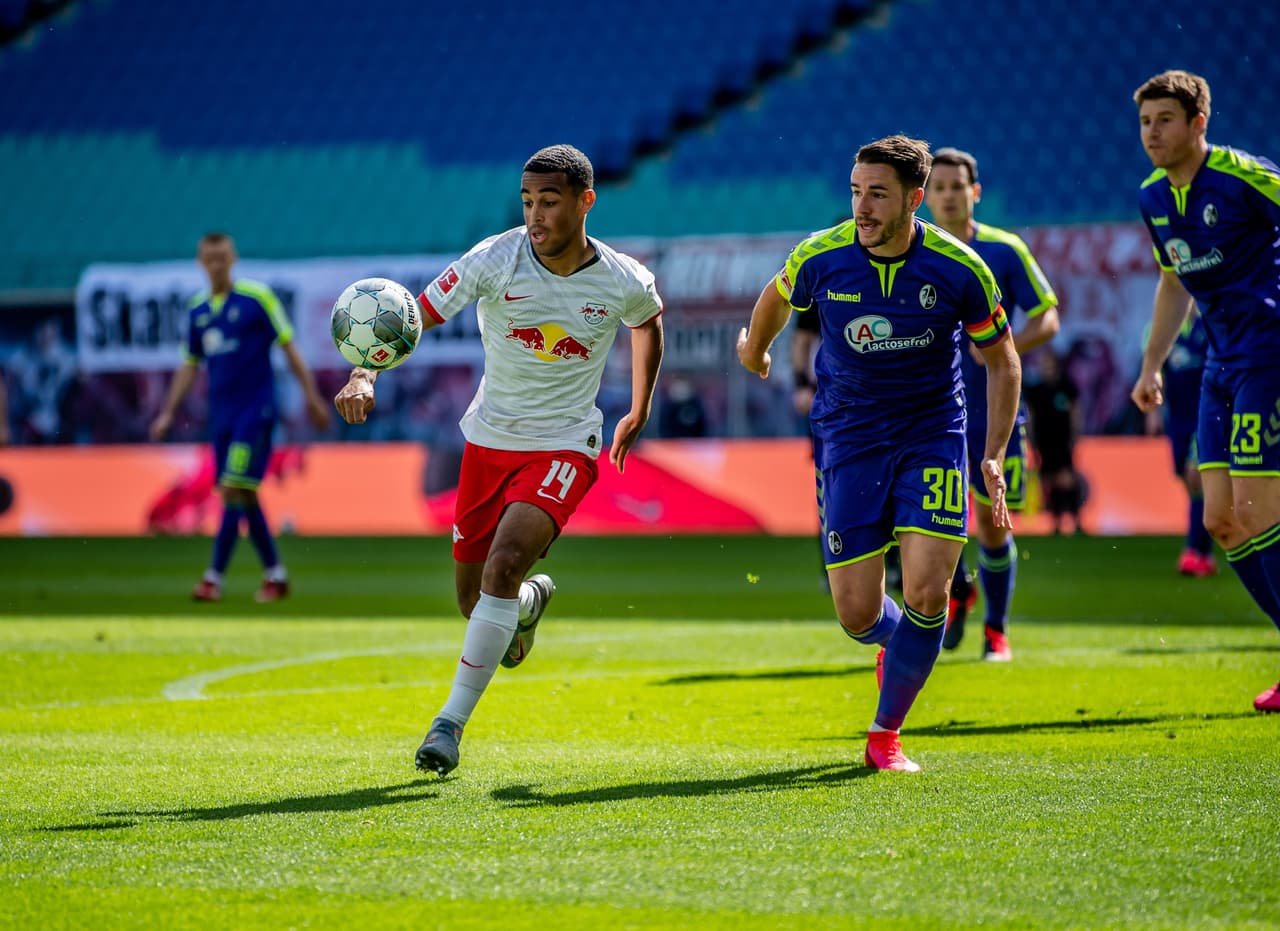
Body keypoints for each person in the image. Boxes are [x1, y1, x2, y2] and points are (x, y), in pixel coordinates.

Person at [334, 145, 665, 775]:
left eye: (550, 201)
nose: (536, 215)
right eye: (527, 202)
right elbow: (412, 317)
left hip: (566, 441)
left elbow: (649, 323)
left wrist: (638, 408)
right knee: (474, 599)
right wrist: (363, 375)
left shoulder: (623, 278)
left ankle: (448, 726)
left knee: (505, 562)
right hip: (489, 443)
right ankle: (527, 607)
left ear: (584, 201)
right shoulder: (495, 258)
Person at [737, 135, 1021, 772]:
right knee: (857, 612)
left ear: (915, 200)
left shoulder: (960, 267)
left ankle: (884, 736)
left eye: (878, 195)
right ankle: (898, 652)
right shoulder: (823, 254)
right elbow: (777, 297)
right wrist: (755, 350)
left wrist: (993, 452)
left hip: (932, 434)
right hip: (849, 437)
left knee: (928, 591)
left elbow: (1003, 363)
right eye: (856, 192)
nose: (862, 207)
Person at [1128, 69, 1280, 713]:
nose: (1152, 134)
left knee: (1261, 508)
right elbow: (1173, 283)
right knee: (1219, 517)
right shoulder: (1153, 197)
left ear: (1198, 123)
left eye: (1164, 120)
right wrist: (1151, 364)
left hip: (1270, 355)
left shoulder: (1247, 176)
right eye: (1144, 123)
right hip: (1218, 363)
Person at [924, 148, 1060, 660]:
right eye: (939, 187)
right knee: (929, 519)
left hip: (992, 411)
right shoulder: (914, 252)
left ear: (974, 192)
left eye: (958, 186)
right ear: (925, 195)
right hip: (931, 413)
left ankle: (996, 631)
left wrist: (1002, 351)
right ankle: (957, 591)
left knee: (992, 525)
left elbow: (1047, 316)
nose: (949, 195)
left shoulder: (1004, 251)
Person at [150, 232, 331, 602]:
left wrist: (312, 397)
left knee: (234, 488)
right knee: (243, 494)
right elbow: (189, 365)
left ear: (232, 259)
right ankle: (276, 575)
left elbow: (289, 347)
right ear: (201, 262)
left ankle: (213, 578)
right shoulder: (198, 311)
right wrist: (168, 411)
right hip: (223, 418)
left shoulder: (256, 299)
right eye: (210, 258)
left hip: (256, 411)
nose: (216, 264)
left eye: (222, 257)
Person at [1145, 310, 1215, 576]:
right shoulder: (1161, 328)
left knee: (1195, 476)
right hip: (1177, 418)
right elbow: (1153, 370)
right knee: (1189, 483)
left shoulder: (1206, 326)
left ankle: (1194, 551)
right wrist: (1153, 413)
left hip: (1205, 415)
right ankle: (1207, 547)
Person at [1024, 349, 1084, 534]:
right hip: (1044, 441)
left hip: (1063, 441)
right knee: (1049, 481)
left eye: (1050, 364)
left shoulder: (1066, 387)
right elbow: (1030, 418)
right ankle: (1057, 522)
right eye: (1044, 365)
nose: (1047, 368)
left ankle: (1076, 520)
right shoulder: (1036, 391)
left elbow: (1075, 413)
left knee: (1067, 479)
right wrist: (1031, 439)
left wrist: (1075, 436)